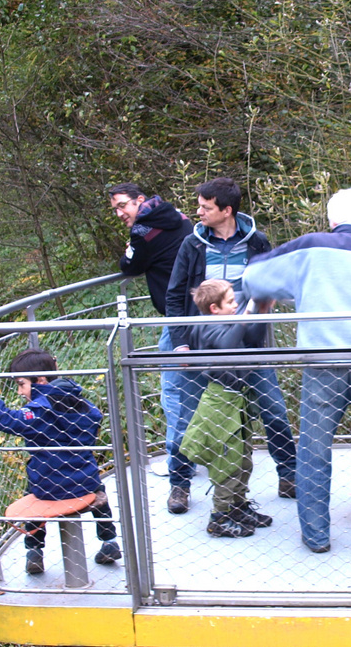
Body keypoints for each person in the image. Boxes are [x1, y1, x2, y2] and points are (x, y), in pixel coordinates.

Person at [242, 187, 351, 562]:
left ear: (332, 219)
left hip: (322, 364)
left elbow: (254, 278)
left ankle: (316, 536)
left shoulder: (309, 247)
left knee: (312, 452)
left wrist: (289, 291)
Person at [163, 176, 296, 514]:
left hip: (249, 345)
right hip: (203, 347)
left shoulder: (256, 243)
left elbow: (271, 284)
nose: (198, 212)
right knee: (187, 415)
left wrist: (262, 308)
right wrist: (180, 344)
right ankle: (179, 484)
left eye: (206, 207)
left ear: (227, 210)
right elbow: (176, 296)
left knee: (274, 411)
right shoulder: (192, 245)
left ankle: (290, 476)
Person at [0, 349, 120, 575]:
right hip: (84, 481)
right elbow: (95, 418)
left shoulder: (39, 410)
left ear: (41, 380)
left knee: (32, 492)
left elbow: (4, 420)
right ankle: (109, 541)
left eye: (22, 384)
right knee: (98, 487)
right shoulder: (79, 401)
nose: (19, 391)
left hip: (50, 487)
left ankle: (34, 551)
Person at [110, 183, 194, 494]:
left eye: (123, 206)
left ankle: (178, 463)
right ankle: (197, 454)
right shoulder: (180, 217)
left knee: (173, 391)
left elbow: (130, 265)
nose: (120, 213)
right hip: (202, 313)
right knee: (200, 388)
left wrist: (131, 248)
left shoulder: (143, 232)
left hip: (177, 319)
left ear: (140, 201)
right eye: (116, 209)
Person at [176, 279, 277, 539]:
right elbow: (227, 344)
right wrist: (245, 315)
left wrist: (261, 313)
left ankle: (238, 506)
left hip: (237, 399)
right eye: (231, 302)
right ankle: (219, 517)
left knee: (243, 458)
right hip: (221, 402)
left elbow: (252, 338)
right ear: (214, 308)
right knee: (227, 462)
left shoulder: (226, 321)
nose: (236, 305)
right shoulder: (206, 327)